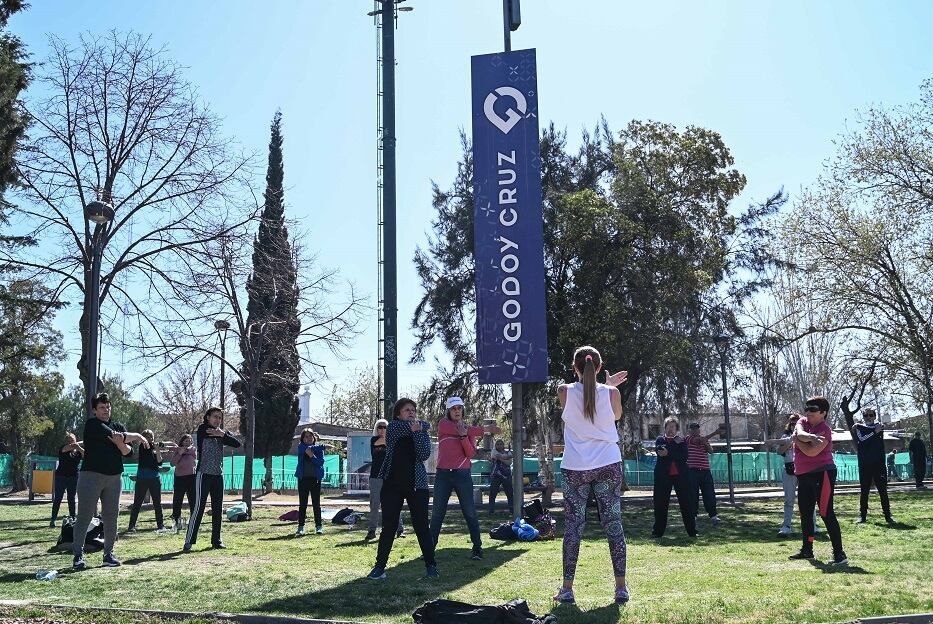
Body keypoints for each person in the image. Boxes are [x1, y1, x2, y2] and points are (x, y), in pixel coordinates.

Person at [553, 346, 629, 605]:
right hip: (608, 463)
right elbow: (615, 415)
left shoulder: (563, 391)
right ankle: (621, 588)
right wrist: (608, 386)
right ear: (599, 367)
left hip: (575, 466)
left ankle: (567, 589)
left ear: (574, 367)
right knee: (613, 523)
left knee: (573, 526)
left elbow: (581, 402)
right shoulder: (612, 393)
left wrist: (603, 386)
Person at [72, 392, 150, 570]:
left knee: (111, 517)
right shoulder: (92, 424)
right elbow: (118, 437)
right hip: (91, 476)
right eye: (102, 407)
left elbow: (128, 452)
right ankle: (78, 556)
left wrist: (120, 443)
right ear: (94, 410)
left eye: (108, 407)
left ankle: (108, 554)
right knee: (84, 516)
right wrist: (137, 436)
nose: (106, 410)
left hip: (114, 478)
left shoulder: (118, 426)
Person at [367, 398, 437, 580]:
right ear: (398, 414)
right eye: (407, 410)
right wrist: (423, 426)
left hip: (417, 485)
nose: (411, 412)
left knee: (422, 526)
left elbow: (424, 454)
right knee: (389, 527)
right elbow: (412, 427)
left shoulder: (420, 431)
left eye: (413, 410)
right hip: (392, 484)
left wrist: (419, 431)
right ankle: (379, 568)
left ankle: (431, 566)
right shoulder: (393, 427)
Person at [430, 396, 498, 560]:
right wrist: (485, 429)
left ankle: (477, 547)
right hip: (443, 475)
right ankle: (429, 549)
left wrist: (463, 437)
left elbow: (470, 453)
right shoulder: (443, 424)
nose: (457, 411)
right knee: (438, 512)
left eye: (459, 408)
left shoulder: (468, 432)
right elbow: (464, 429)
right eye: (453, 408)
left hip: (462, 474)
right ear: (448, 411)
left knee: (470, 512)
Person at [788, 396, 847, 566]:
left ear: (823, 413)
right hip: (803, 474)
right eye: (806, 408)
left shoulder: (825, 430)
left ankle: (839, 554)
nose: (808, 412)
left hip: (823, 473)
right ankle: (807, 550)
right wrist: (809, 438)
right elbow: (799, 433)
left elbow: (811, 452)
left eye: (813, 409)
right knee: (805, 513)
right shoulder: (802, 421)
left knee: (826, 512)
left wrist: (798, 441)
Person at [184, 407, 241, 552]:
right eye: (215, 416)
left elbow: (237, 444)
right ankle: (189, 541)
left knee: (217, 508)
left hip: (218, 475)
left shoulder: (221, 433)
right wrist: (222, 435)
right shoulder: (203, 429)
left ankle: (216, 540)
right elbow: (211, 434)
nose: (217, 420)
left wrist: (222, 434)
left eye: (220, 418)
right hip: (203, 474)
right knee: (199, 507)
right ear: (208, 417)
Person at [652, 416, 697, 539]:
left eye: (673, 427)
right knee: (660, 504)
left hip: (681, 476)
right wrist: (673, 449)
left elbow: (684, 456)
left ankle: (692, 531)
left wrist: (669, 452)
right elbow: (660, 451)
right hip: (663, 477)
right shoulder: (660, 439)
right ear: (664, 428)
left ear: (677, 429)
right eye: (668, 426)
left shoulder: (682, 441)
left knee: (687, 503)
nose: (670, 429)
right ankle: (657, 532)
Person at [849, 408, 894, 524]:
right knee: (864, 491)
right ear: (863, 417)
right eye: (866, 415)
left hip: (879, 464)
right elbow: (862, 440)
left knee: (883, 490)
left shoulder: (879, 427)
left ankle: (888, 515)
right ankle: (862, 516)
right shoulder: (859, 428)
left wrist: (878, 429)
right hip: (865, 464)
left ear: (874, 416)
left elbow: (881, 427)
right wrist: (875, 432)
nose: (868, 417)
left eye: (870, 415)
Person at [366, 419, 405, 542]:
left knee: (394, 504)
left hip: (390, 477)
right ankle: (372, 531)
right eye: (380, 427)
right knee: (374, 504)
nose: (382, 430)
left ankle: (400, 529)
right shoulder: (374, 440)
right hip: (376, 477)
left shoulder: (393, 441)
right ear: (376, 429)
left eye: (385, 427)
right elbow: (382, 442)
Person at [127, 429, 167, 532]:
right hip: (142, 478)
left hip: (154, 478)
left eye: (151, 437)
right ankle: (131, 526)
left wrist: (158, 450)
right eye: (147, 437)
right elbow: (148, 449)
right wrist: (156, 447)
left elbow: (159, 462)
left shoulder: (155, 447)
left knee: (157, 503)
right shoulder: (142, 446)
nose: (149, 439)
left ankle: (160, 525)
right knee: (137, 503)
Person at [685, 422, 721, 524]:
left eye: (696, 429)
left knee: (709, 493)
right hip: (692, 470)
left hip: (705, 470)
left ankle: (713, 515)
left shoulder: (704, 439)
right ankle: (693, 515)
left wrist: (705, 443)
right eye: (692, 429)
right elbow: (698, 440)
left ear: (699, 430)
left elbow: (711, 451)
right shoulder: (688, 439)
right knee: (693, 494)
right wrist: (715, 433)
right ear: (689, 431)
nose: (695, 431)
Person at [295, 429, 327, 536]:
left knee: (316, 504)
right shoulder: (301, 447)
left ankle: (318, 526)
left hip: (315, 480)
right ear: (302, 439)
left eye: (310, 436)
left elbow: (320, 462)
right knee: (302, 504)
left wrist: (312, 456)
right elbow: (306, 449)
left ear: (314, 438)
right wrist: (323, 446)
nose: (308, 438)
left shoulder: (319, 450)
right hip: (303, 479)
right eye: (306, 436)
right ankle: (300, 527)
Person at [50, 432, 83, 527]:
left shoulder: (78, 451)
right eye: (68, 440)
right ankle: (53, 519)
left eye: (72, 440)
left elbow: (86, 454)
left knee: (71, 498)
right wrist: (76, 444)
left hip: (73, 477)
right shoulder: (63, 448)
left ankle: (73, 518)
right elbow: (70, 447)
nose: (70, 442)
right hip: (61, 476)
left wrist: (79, 447)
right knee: (58, 498)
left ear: (75, 440)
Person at [170, 434, 197, 531]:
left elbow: (191, 451)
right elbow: (172, 463)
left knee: (193, 500)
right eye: (186, 441)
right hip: (179, 478)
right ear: (182, 442)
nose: (188, 442)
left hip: (191, 478)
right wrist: (179, 453)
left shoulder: (193, 449)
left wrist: (183, 450)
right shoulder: (177, 451)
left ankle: (194, 520)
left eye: (190, 441)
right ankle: (177, 521)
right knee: (177, 500)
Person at [488, 439, 513, 515]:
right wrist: (507, 457)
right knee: (492, 494)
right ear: (495, 445)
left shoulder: (508, 452)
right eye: (497, 444)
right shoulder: (493, 451)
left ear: (503, 445)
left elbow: (509, 463)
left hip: (506, 476)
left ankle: (512, 510)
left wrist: (501, 458)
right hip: (496, 475)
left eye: (501, 444)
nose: (499, 445)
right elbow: (495, 456)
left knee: (510, 493)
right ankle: (491, 511)